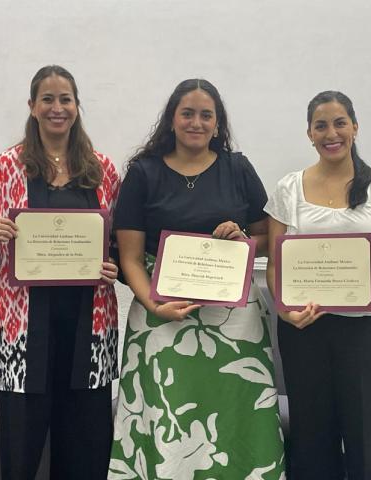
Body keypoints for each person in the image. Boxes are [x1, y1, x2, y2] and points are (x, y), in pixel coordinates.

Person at [108, 79, 285, 479]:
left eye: (207, 115)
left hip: (234, 324)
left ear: (218, 125)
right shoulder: (143, 173)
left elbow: (269, 240)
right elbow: (131, 258)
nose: (196, 122)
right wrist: (153, 304)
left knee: (235, 417)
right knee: (164, 418)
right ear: (172, 119)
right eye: (187, 113)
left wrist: (242, 240)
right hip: (161, 319)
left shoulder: (238, 168)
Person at [0, 65, 121, 480]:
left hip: (90, 327)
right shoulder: (3, 168)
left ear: (77, 106)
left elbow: (121, 243)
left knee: (86, 443)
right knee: (21, 444)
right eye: (47, 99)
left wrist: (112, 264)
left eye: (65, 99)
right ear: (32, 107)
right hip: (21, 331)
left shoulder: (103, 169)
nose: (57, 108)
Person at [265, 90, 371, 480]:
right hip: (305, 329)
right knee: (311, 437)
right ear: (309, 134)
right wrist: (284, 309)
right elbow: (276, 265)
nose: (331, 133)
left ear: (354, 127)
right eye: (321, 126)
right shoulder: (288, 189)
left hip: (365, 331)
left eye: (339, 123)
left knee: (370, 438)